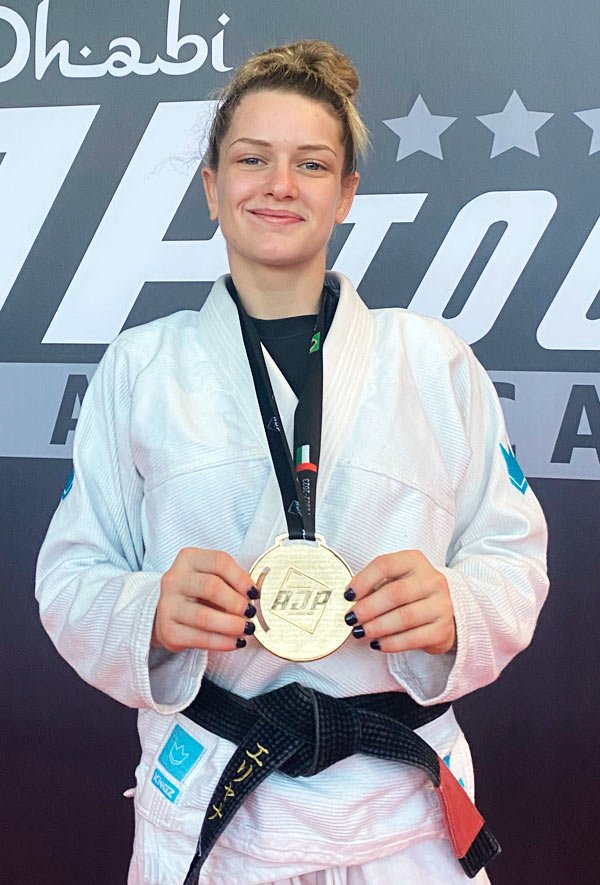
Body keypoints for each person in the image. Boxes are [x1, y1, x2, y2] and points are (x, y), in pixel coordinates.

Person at [36, 39, 548, 885]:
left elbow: (515, 562)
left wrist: (456, 604)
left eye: (312, 163)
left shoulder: (433, 362)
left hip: (402, 819)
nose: (279, 184)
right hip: (213, 801)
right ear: (211, 186)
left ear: (347, 193)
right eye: (251, 158)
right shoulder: (141, 369)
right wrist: (148, 609)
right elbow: (69, 578)